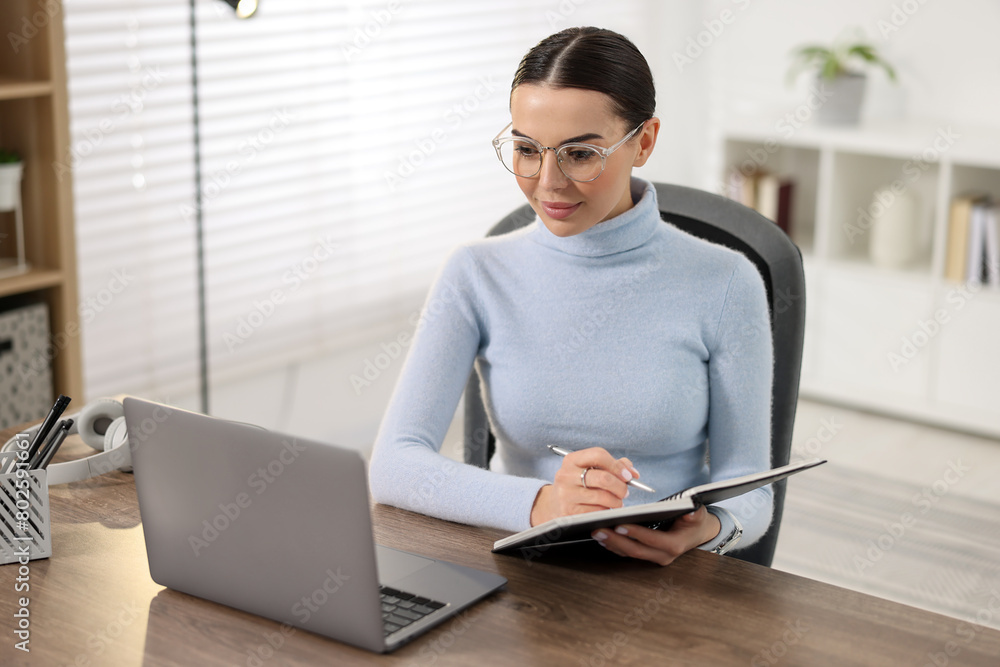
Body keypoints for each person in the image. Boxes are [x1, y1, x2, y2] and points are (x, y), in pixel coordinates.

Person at [369, 27, 773, 566]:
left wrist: (708, 531)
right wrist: (543, 504)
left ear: (645, 141)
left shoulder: (726, 281)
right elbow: (394, 464)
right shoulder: (476, 272)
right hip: (516, 566)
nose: (548, 182)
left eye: (580, 154)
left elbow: (750, 487)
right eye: (526, 150)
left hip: (667, 581)